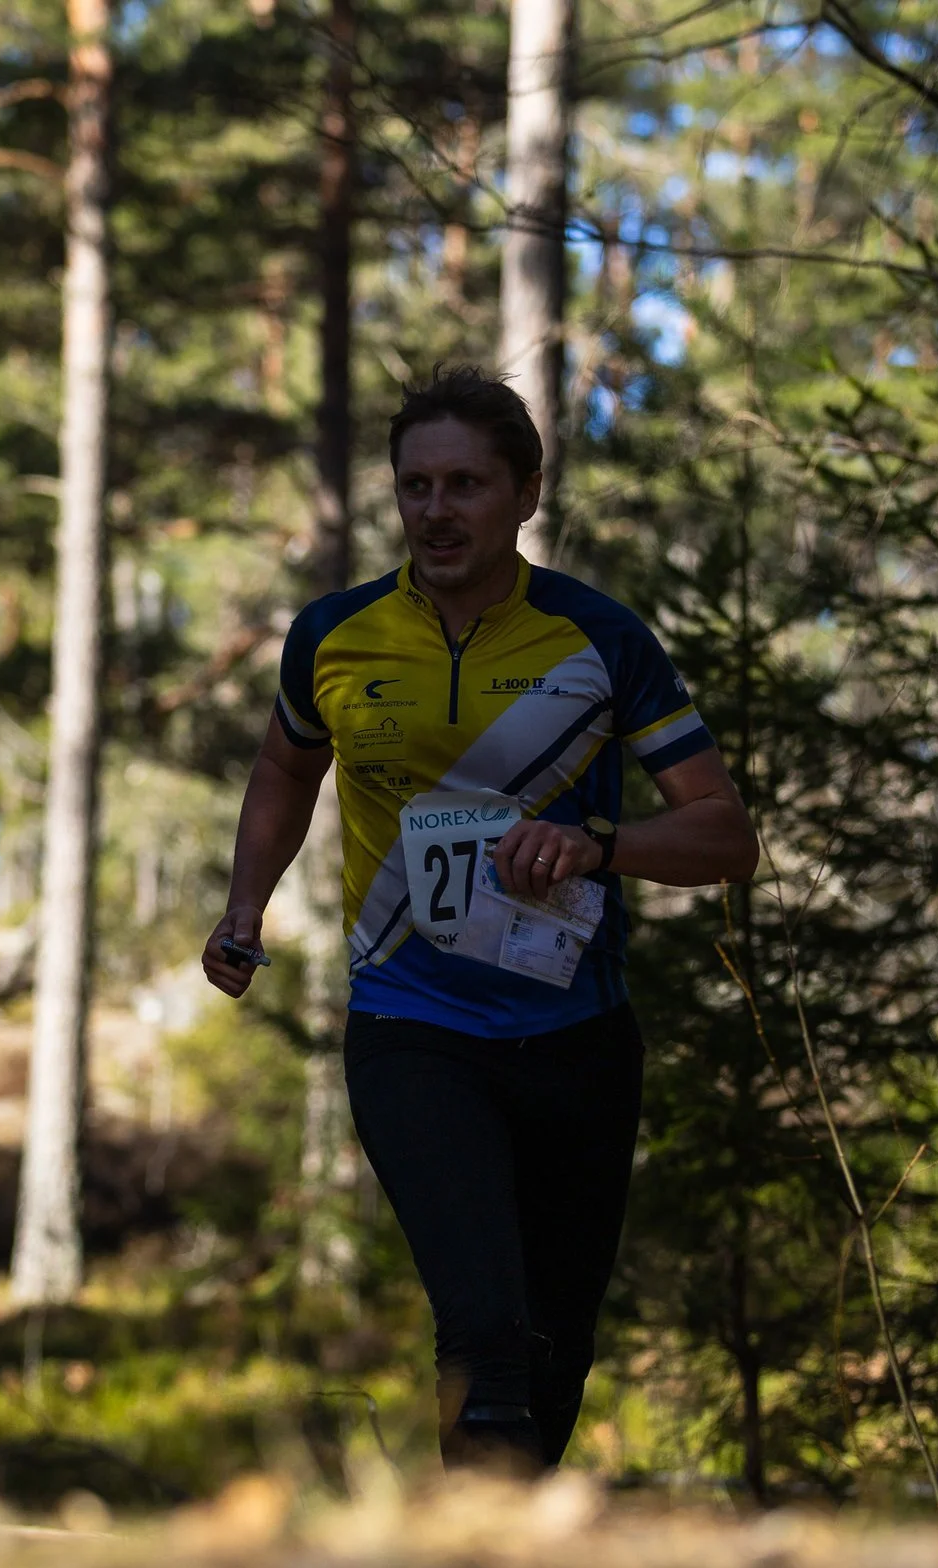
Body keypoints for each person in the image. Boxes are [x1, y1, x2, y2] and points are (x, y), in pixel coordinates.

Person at [201, 365, 759, 1472]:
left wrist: (599, 842)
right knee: (486, 1333)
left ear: (525, 493)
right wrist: (243, 908)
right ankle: (479, 1555)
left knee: (554, 1348)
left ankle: (516, 1559)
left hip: (578, 1039)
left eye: (465, 484)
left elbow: (725, 834)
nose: (437, 510)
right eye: (415, 486)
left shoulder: (600, 639)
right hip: (413, 1027)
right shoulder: (336, 635)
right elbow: (285, 768)